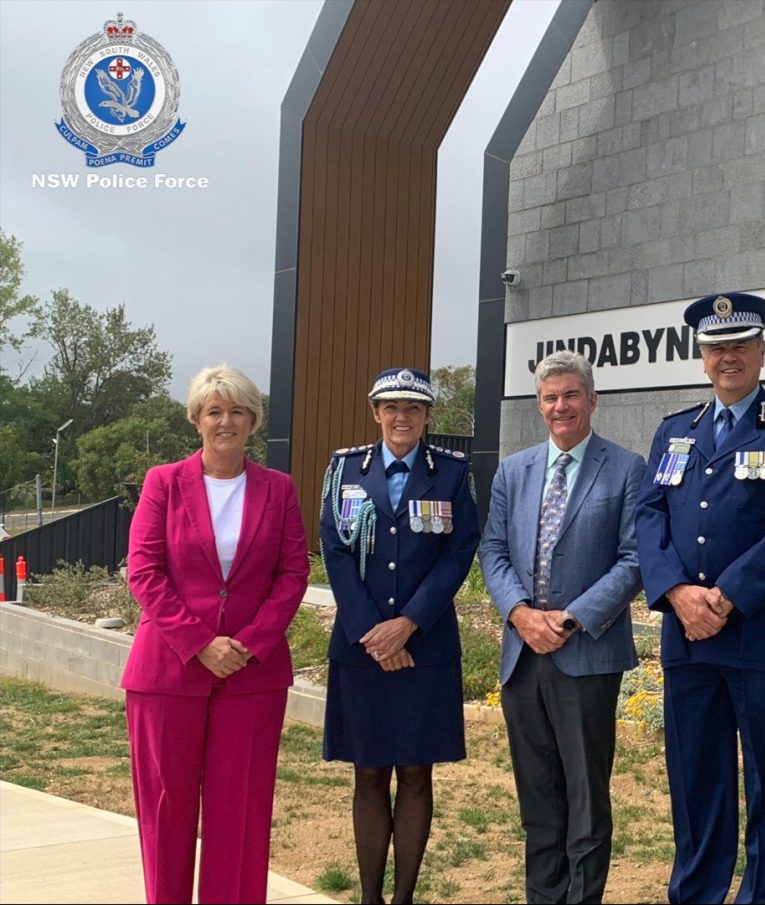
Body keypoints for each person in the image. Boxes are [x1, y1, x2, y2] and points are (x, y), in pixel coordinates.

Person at [635, 292, 765, 905]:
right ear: (701, 359)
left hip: (761, 635)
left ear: (762, 351)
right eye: (716, 348)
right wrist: (675, 591)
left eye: (740, 346)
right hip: (687, 637)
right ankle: (695, 891)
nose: (728, 358)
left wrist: (725, 597)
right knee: (696, 777)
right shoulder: (675, 432)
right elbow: (647, 516)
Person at [122, 364, 309, 904]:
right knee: (166, 810)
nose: (225, 421)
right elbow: (145, 571)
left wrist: (248, 644)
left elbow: (293, 573)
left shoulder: (278, 489)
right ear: (197, 420)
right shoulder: (163, 483)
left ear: (252, 421)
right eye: (214, 411)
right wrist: (200, 642)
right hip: (169, 672)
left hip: (252, 675)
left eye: (237, 412)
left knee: (241, 812)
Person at [479, 350, 644, 905]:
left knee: (586, 798)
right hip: (523, 654)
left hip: (586, 654)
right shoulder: (514, 469)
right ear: (539, 404)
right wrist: (522, 614)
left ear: (592, 400)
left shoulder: (626, 469)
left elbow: (634, 559)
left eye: (571, 395)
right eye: (550, 397)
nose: (560, 406)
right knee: (539, 797)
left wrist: (571, 619)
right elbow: (494, 550)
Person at [320, 366, 480, 905]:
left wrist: (407, 625)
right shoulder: (345, 470)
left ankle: (404, 897)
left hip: (425, 647)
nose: (401, 417)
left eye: (413, 408)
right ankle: (369, 898)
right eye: (391, 407)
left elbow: (459, 553)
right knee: (368, 772)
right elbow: (336, 552)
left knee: (415, 772)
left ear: (428, 416)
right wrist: (373, 632)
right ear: (375, 413)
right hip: (362, 649)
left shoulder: (452, 474)